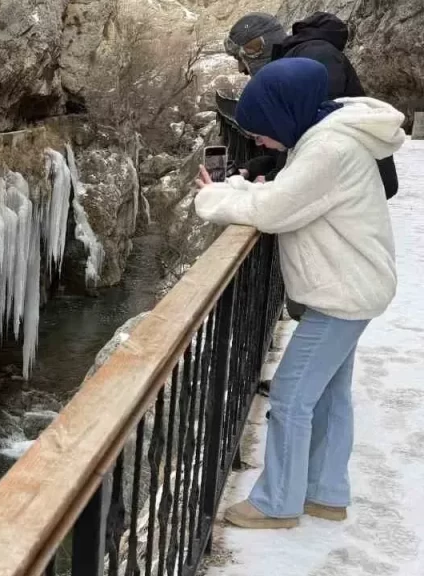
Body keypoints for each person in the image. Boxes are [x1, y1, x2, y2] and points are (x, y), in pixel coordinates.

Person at [194, 58, 404, 529]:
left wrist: (212, 197)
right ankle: (326, 493)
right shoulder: (328, 138)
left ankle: (277, 504)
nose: (258, 141)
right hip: (354, 285)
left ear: (283, 114)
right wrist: (240, 186)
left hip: (342, 293)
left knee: (290, 395)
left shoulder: (328, 149)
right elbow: (288, 194)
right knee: (329, 393)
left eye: (262, 130)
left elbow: (272, 211)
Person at [225, 12, 399, 199]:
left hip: (358, 189)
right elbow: (296, 144)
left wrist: (273, 180)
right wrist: (253, 169)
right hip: (342, 189)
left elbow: (318, 137)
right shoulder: (296, 62)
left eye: (246, 53)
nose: (241, 69)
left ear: (262, 43)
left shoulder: (314, 56)